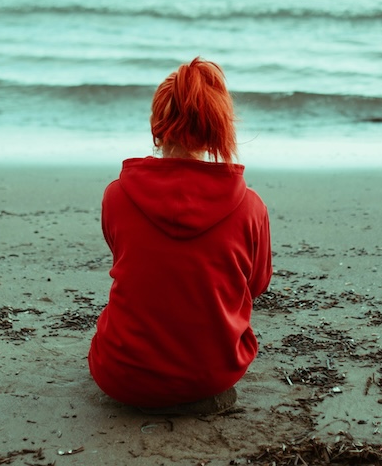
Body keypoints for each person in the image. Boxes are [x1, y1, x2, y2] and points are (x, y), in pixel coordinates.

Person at [88, 57, 273, 414]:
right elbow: (256, 284)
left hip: (120, 374)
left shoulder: (117, 195)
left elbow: (128, 260)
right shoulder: (250, 207)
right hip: (213, 374)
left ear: (157, 125)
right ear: (218, 128)